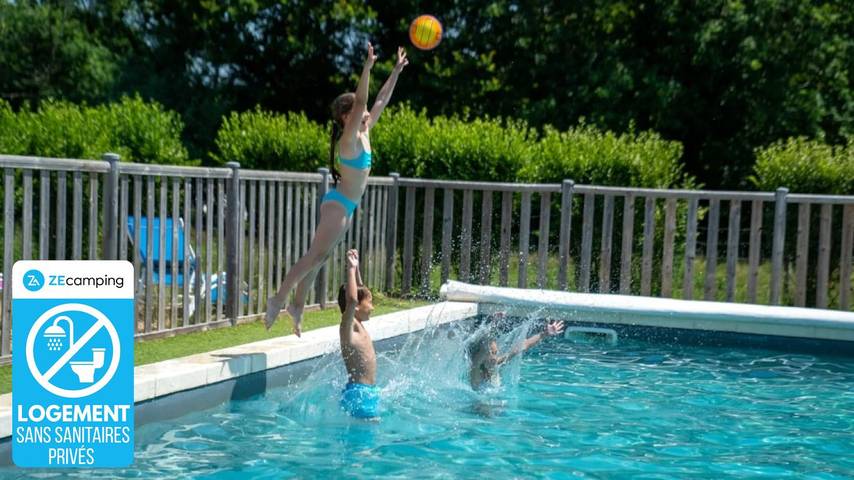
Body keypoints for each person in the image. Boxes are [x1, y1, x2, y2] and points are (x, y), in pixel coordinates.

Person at [265, 42, 409, 335]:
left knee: (319, 259)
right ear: (347, 116)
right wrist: (367, 68)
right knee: (313, 256)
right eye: (360, 109)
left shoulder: (364, 132)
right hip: (339, 203)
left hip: (347, 205)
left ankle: (297, 305)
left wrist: (395, 70)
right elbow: (363, 100)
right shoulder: (349, 140)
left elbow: (380, 100)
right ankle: (279, 298)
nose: (368, 111)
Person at [468, 315, 565, 390]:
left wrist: (544, 334)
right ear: (481, 355)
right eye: (490, 353)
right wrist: (492, 322)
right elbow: (483, 347)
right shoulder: (475, 370)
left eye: (495, 353)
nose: (495, 357)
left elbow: (523, 346)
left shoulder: (496, 363)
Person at [338, 249, 380, 419]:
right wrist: (350, 267)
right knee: (365, 439)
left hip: (366, 392)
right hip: (359, 394)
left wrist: (357, 269)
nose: (373, 307)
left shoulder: (358, 323)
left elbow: (361, 293)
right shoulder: (349, 326)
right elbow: (354, 299)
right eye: (370, 303)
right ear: (355, 307)